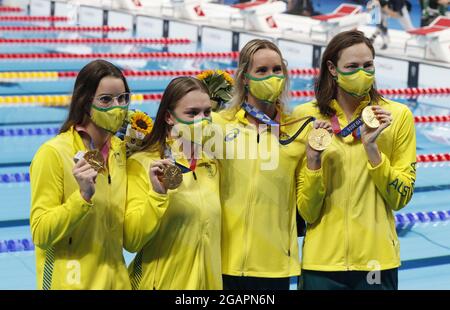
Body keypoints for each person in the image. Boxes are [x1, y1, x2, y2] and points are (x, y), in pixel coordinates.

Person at [294, 30, 416, 290]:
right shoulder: (306, 117)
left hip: (377, 262)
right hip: (322, 263)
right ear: (332, 68)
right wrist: (314, 162)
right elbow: (307, 211)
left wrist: (373, 150)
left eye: (368, 65)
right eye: (352, 66)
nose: (362, 73)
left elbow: (401, 197)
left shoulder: (396, 116)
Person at [213, 39, 332, 290]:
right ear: (244, 78)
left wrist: (313, 160)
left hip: (274, 266)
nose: (272, 76)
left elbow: (309, 210)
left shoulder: (298, 131)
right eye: (262, 71)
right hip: (220, 260)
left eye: (277, 70)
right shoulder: (219, 125)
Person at [30, 59, 131, 289]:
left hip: (116, 282)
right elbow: (41, 233)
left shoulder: (121, 152)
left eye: (122, 98)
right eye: (106, 99)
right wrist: (82, 198)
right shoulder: (53, 153)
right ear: (85, 102)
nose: (117, 106)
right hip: (71, 283)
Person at [124, 77, 222, 290]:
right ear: (169, 117)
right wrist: (157, 195)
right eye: (192, 113)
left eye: (207, 112)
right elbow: (131, 240)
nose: (202, 120)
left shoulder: (210, 164)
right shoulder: (144, 163)